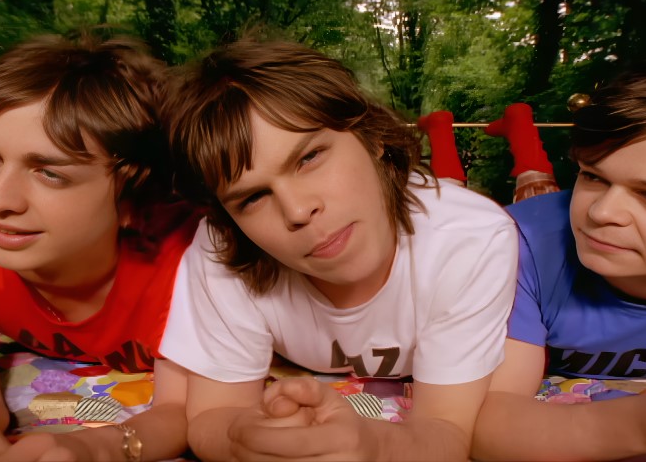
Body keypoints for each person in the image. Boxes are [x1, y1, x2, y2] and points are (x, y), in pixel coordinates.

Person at [159, 38, 518, 461]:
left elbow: (447, 431)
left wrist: (371, 445)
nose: (298, 210)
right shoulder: (223, 247)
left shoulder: (469, 238)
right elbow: (213, 414)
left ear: (373, 137)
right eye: (253, 198)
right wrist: (247, 441)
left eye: (309, 157)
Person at [471, 45, 646, 461]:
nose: (601, 212)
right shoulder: (519, 243)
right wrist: (641, 424)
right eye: (593, 177)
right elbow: (481, 423)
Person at [0, 29, 202, 461]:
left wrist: (93, 447)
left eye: (50, 173)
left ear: (134, 197)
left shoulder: (189, 262)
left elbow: (181, 413)